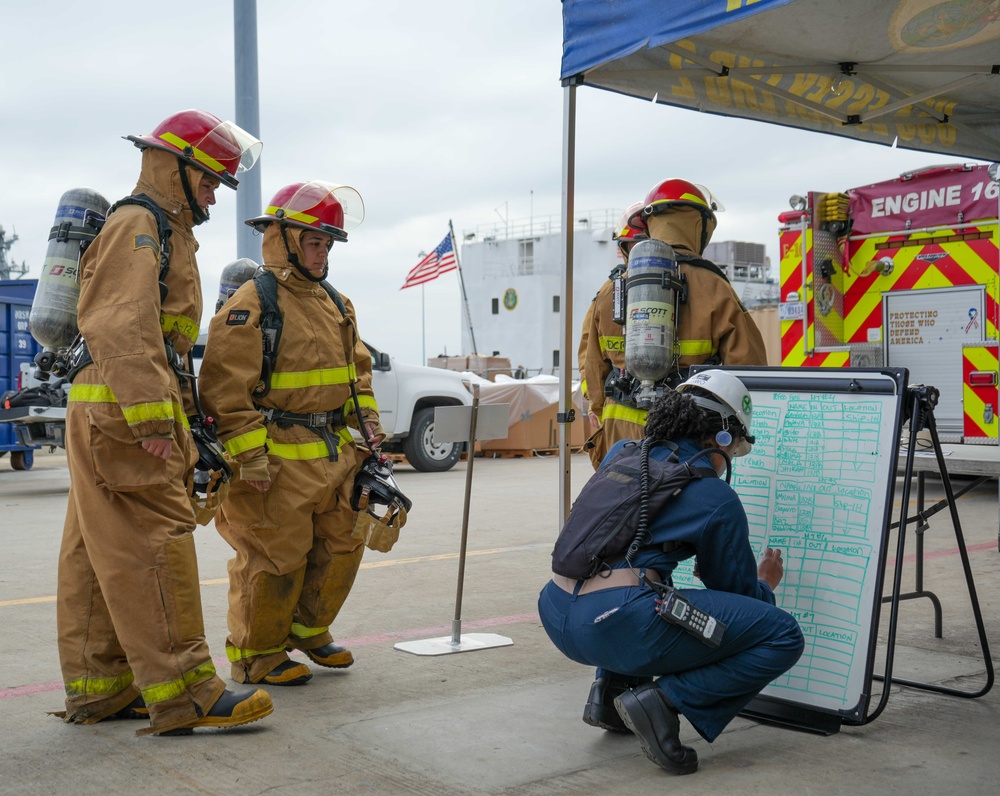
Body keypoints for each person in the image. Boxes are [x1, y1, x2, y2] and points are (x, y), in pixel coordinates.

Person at [56, 109, 273, 736]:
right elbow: (124, 323)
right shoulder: (141, 225)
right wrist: (154, 418)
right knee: (158, 540)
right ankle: (187, 692)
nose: (212, 194)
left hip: (106, 405)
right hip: (126, 408)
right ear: (173, 168)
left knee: (97, 553)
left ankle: (101, 688)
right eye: (207, 180)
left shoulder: (157, 227)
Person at [538, 370, 804, 775]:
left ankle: (608, 696)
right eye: (732, 451)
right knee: (783, 634)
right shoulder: (714, 494)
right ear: (722, 438)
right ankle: (663, 702)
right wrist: (765, 583)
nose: (729, 461)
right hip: (615, 624)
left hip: (557, 613)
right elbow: (734, 590)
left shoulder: (622, 453)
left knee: (656, 582)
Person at [198, 181, 385, 687]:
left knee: (343, 545)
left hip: (335, 454)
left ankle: (307, 629)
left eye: (327, 244)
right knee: (273, 557)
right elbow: (223, 391)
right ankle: (256, 654)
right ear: (281, 238)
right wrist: (250, 460)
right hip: (276, 458)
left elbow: (357, 376)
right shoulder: (252, 302)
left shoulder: (336, 303)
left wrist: (369, 433)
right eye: (313, 242)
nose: (321, 254)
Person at [584, 181, 769, 465]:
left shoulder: (612, 288)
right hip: (686, 436)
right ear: (700, 226)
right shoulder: (715, 286)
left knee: (623, 502)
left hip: (619, 433)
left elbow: (592, 367)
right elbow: (749, 367)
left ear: (650, 222)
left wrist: (605, 411)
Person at [580, 202, 647, 469]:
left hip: (619, 425)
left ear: (624, 248)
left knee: (621, 497)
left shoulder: (608, 293)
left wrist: (597, 408)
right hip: (681, 426)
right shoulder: (700, 283)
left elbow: (590, 361)